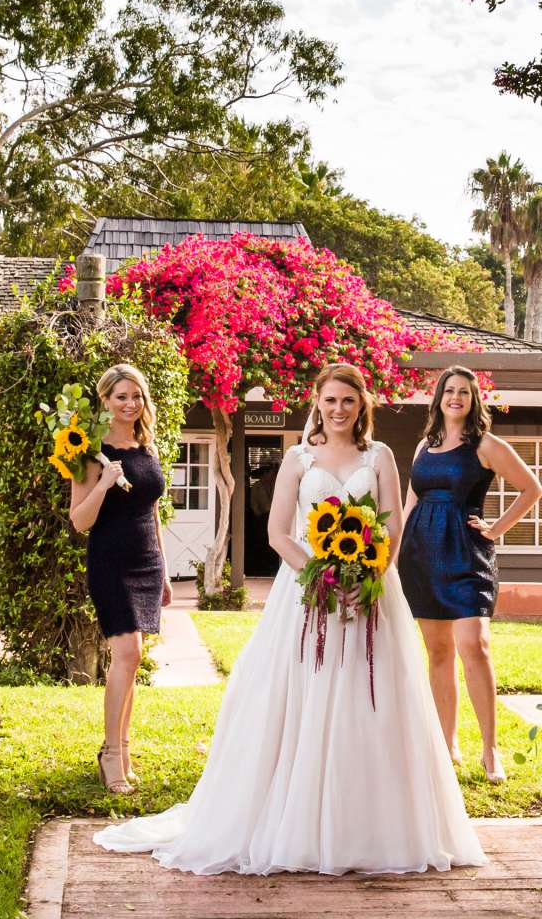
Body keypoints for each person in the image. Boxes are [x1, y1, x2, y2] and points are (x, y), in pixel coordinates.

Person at [95, 363, 483, 875]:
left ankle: (376, 825)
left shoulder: (381, 456)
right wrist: (322, 576)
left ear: (361, 405)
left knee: (375, 698)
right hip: (308, 593)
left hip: (371, 596)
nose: (339, 410)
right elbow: (280, 533)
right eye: (330, 401)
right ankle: (301, 820)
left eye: (348, 401)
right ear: (316, 404)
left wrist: (366, 577)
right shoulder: (298, 459)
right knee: (307, 691)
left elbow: (391, 526)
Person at [399, 365, 542, 782]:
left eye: (464, 391)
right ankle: (447, 745)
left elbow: (532, 487)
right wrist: (394, 556)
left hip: (466, 557)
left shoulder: (485, 445)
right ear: (439, 398)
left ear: (473, 399)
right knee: (438, 652)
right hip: (421, 557)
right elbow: (412, 502)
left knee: (474, 645)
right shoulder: (423, 447)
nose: (456, 397)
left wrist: (497, 528)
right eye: (450, 391)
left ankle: (490, 748)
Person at [68, 362, 172, 794]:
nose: (131, 404)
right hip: (110, 559)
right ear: (105, 401)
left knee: (132, 657)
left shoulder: (147, 447)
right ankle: (111, 754)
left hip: (146, 558)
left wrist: (164, 570)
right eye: (121, 396)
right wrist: (104, 483)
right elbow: (79, 521)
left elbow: (152, 512)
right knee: (126, 651)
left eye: (137, 396)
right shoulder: (90, 453)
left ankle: (122, 749)